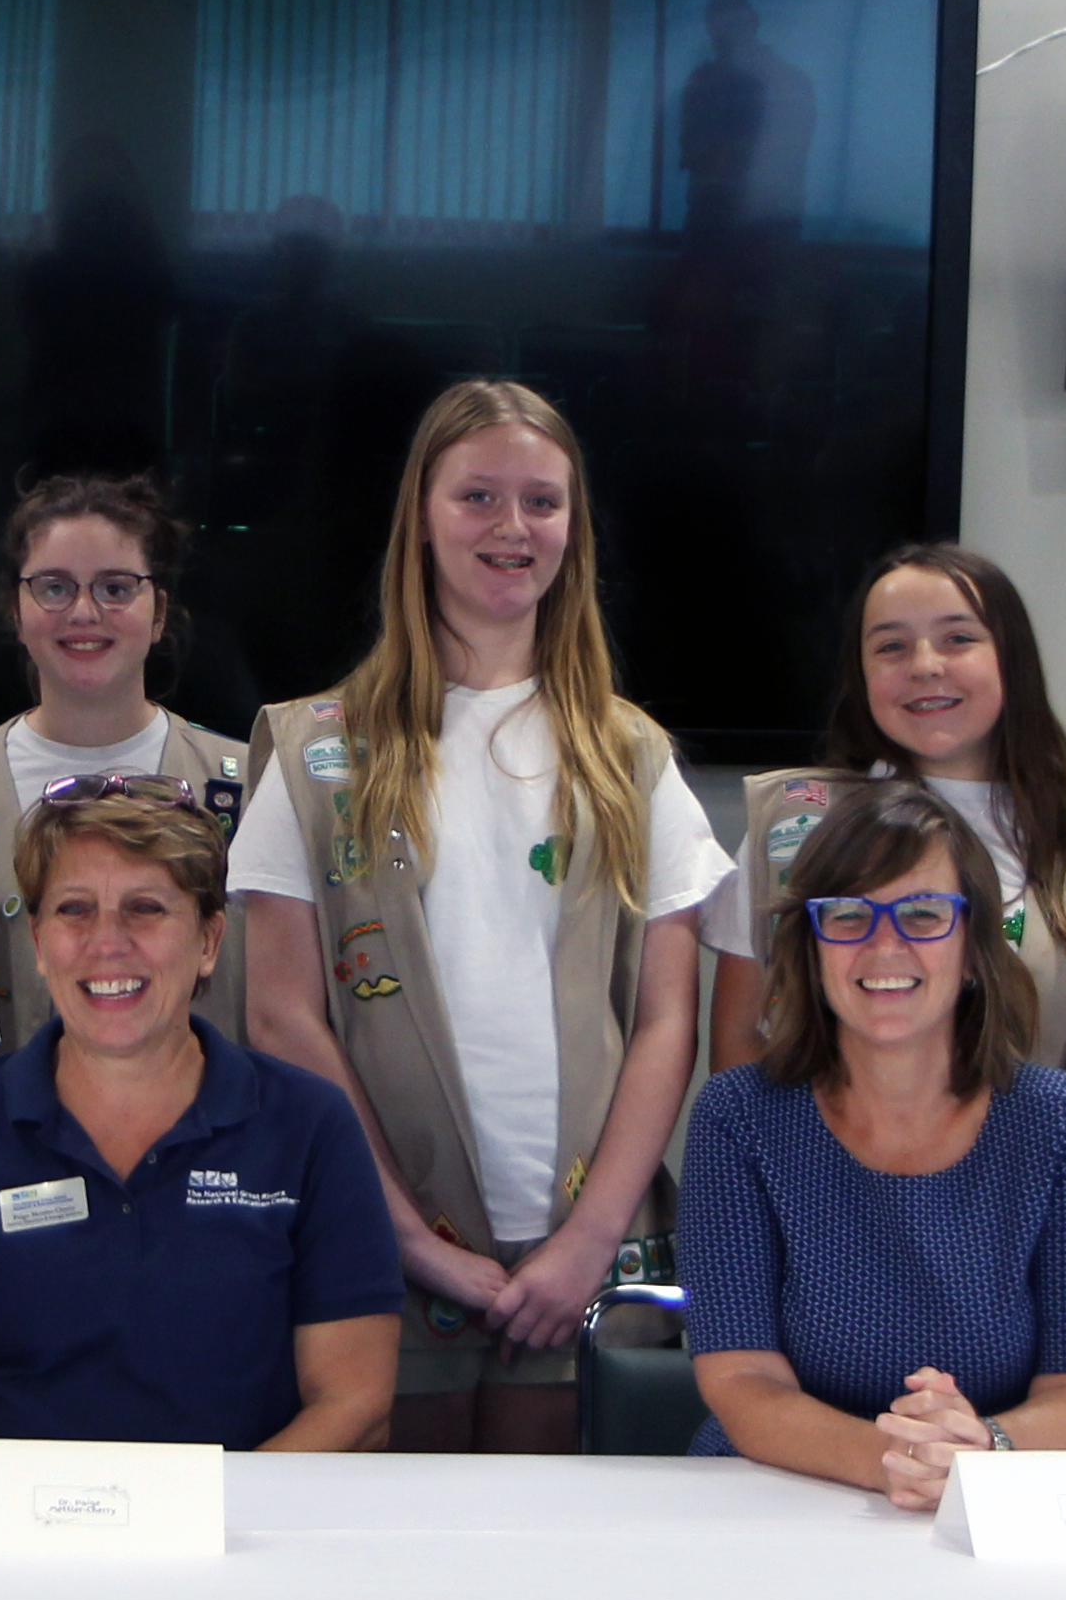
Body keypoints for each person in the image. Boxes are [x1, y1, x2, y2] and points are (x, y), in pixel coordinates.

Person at [232, 379, 735, 1453]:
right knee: (389, 1580)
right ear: (421, 513)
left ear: (574, 528)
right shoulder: (313, 752)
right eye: (478, 497)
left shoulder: (629, 756)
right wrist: (409, 1237)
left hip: (584, 1263)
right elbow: (281, 1019)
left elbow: (664, 1021)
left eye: (542, 502)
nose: (512, 528)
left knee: (555, 1582)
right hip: (374, 1245)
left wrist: (586, 1241)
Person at [0, 785, 403, 1450]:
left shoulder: (311, 1125)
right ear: (37, 942)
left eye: (145, 910)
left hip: (243, 1539)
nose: (106, 943)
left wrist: (204, 1532)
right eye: (74, 911)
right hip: (15, 1543)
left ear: (209, 940)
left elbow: (354, 1401)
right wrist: (42, 1530)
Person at [682, 783, 1066, 1507]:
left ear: (973, 951)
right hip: (774, 1496)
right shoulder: (739, 1118)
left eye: (924, 914)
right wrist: (899, 1461)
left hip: (989, 1498)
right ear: (809, 946)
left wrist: (983, 1453)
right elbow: (742, 1379)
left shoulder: (1062, 1122)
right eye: (849, 915)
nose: (884, 944)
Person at [709, 542, 1066, 1134]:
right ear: (861, 674)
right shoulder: (791, 829)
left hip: (1022, 1209)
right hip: (815, 1208)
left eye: (957, 638)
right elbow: (741, 1039)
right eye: (890, 646)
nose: (924, 665)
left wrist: (1022, 1189)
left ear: (1011, 658)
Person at [0, 473, 251, 1057]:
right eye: (54, 587)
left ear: (159, 613)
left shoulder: (256, 786)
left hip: (211, 1141)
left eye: (115, 588)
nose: (85, 611)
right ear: (16, 610)